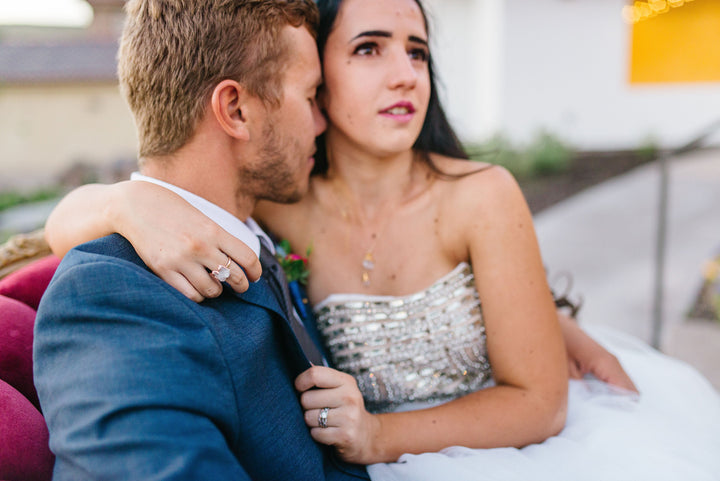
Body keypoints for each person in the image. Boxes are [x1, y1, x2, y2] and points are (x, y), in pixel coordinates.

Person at [43, 0, 720, 479]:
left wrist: (539, 322)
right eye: (368, 49)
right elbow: (79, 226)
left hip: (503, 451)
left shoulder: (478, 194)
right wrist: (129, 203)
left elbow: (539, 399)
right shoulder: (284, 206)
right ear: (319, 76)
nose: (405, 74)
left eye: (418, 52)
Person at [33, 1, 371, 479]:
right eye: (311, 96)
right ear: (236, 109)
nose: (321, 122)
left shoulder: (267, 224)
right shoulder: (111, 300)